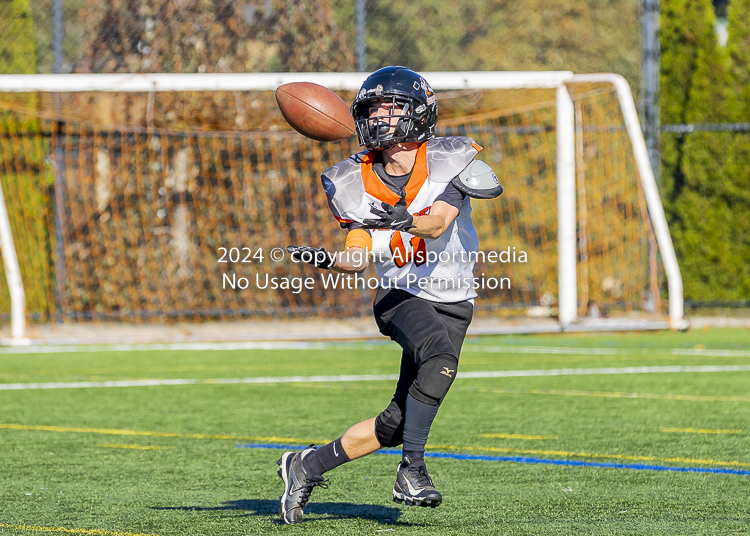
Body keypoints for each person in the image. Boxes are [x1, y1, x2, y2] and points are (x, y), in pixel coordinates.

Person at [280, 66, 502, 525]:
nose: (381, 115)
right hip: (400, 294)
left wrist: (403, 220)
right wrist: (327, 260)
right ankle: (412, 472)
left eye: (392, 105)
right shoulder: (353, 180)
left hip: (454, 298)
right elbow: (357, 257)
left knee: (396, 424)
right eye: (374, 107)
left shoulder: (449, 160)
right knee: (440, 356)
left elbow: (438, 221)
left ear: (419, 112)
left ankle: (305, 466)